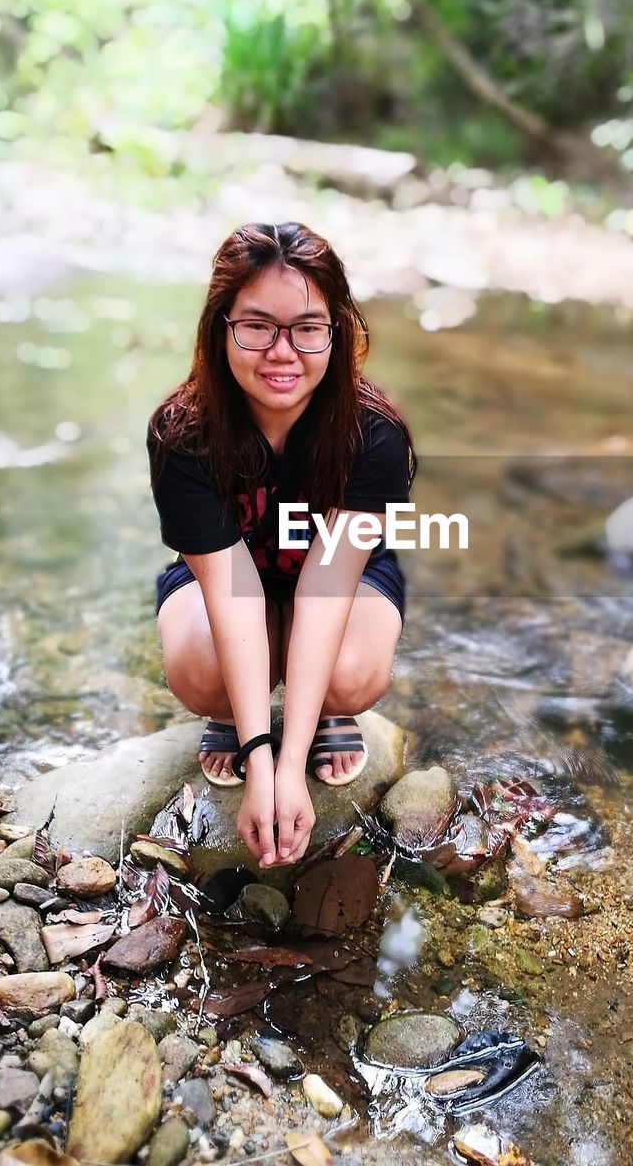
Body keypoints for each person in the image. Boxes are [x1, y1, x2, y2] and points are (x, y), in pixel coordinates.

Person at [146, 222, 416, 872]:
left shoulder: (373, 435)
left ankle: (317, 714)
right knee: (205, 675)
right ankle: (244, 717)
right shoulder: (184, 434)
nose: (283, 351)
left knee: (350, 675)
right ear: (222, 328)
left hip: (334, 583)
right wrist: (259, 755)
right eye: (258, 326)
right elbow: (231, 592)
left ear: (337, 330)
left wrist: (291, 765)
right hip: (231, 581)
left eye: (307, 327)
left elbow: (325, 592)